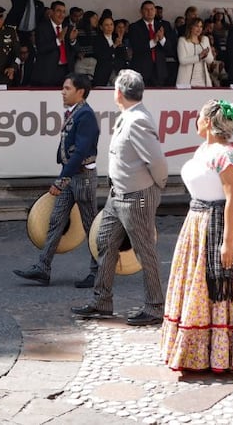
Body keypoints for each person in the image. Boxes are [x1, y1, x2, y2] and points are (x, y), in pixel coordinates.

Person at [161, 100, 233, 371]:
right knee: (197, 284)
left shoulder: (229, 156)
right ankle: (201, 347)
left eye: (199, 117)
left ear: (209, 122)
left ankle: (224, 350)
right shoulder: (204, 149)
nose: (196, 121)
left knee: (221, 286)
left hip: (221, 224)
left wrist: (227, 241)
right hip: (197, 222)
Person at [72, 69, 168, 324]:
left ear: (120, 92)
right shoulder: (130, 115)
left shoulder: (137, 120)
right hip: (120, 194)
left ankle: (156, 307)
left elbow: (157, 161)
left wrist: (157, 188)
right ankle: (101, 301)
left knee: (144, 250)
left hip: (136, 195)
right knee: (104, 241)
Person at [14, 73, 100, 287]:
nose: (63, 91)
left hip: (82, 179)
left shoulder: (85, 115)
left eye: (67, 88)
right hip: (74, 177)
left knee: (91, 227)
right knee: (56, 221)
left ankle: (98, 271)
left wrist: (61, 180)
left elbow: (80, 152)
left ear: (80, 92)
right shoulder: (78, 113)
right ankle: (43, 267)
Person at [126, 0, 173, 87]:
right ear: (141, 11)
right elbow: (136, 48)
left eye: (152, 9)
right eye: (146, 9)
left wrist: (162, 39)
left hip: (159, 70)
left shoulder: (164, 26)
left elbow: (170, 49)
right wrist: (153, 42)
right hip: (141, 70)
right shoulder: (134, 27)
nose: (149, 12)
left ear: (155, 11)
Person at [33, 1, 78, 87]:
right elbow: (41, 48)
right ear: (51, 12)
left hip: (66, 70)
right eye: (58, 11)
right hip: (48, 72)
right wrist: (58, 40)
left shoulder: (68, 28)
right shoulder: (42, 27)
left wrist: (73, 40)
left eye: (64, 12)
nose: (61, 14)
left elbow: (77, 49)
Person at [176, 18, 215, 88]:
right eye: (197, 26)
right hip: (186, 81)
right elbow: (182, 60)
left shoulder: (205, 39)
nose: (199, 29)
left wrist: (205, 55)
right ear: (191, 27)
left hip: (203, 80)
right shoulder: (182, 40)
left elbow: (210, 60)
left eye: (201, 26)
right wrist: (199, 57)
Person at [0, 5, 20, 85]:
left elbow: (17, 55)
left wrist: (13, 67)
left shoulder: (10, 32)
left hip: (4, 75)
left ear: (3, 18)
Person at [91, 16, 119, 87]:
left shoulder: (116, 38)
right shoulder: (97, 39)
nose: (109, 27)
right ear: (101, 27)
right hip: (102, 72)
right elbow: (101, 55)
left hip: (116, 71)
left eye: (111, 24)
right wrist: (114, 46)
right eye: (106, 25)